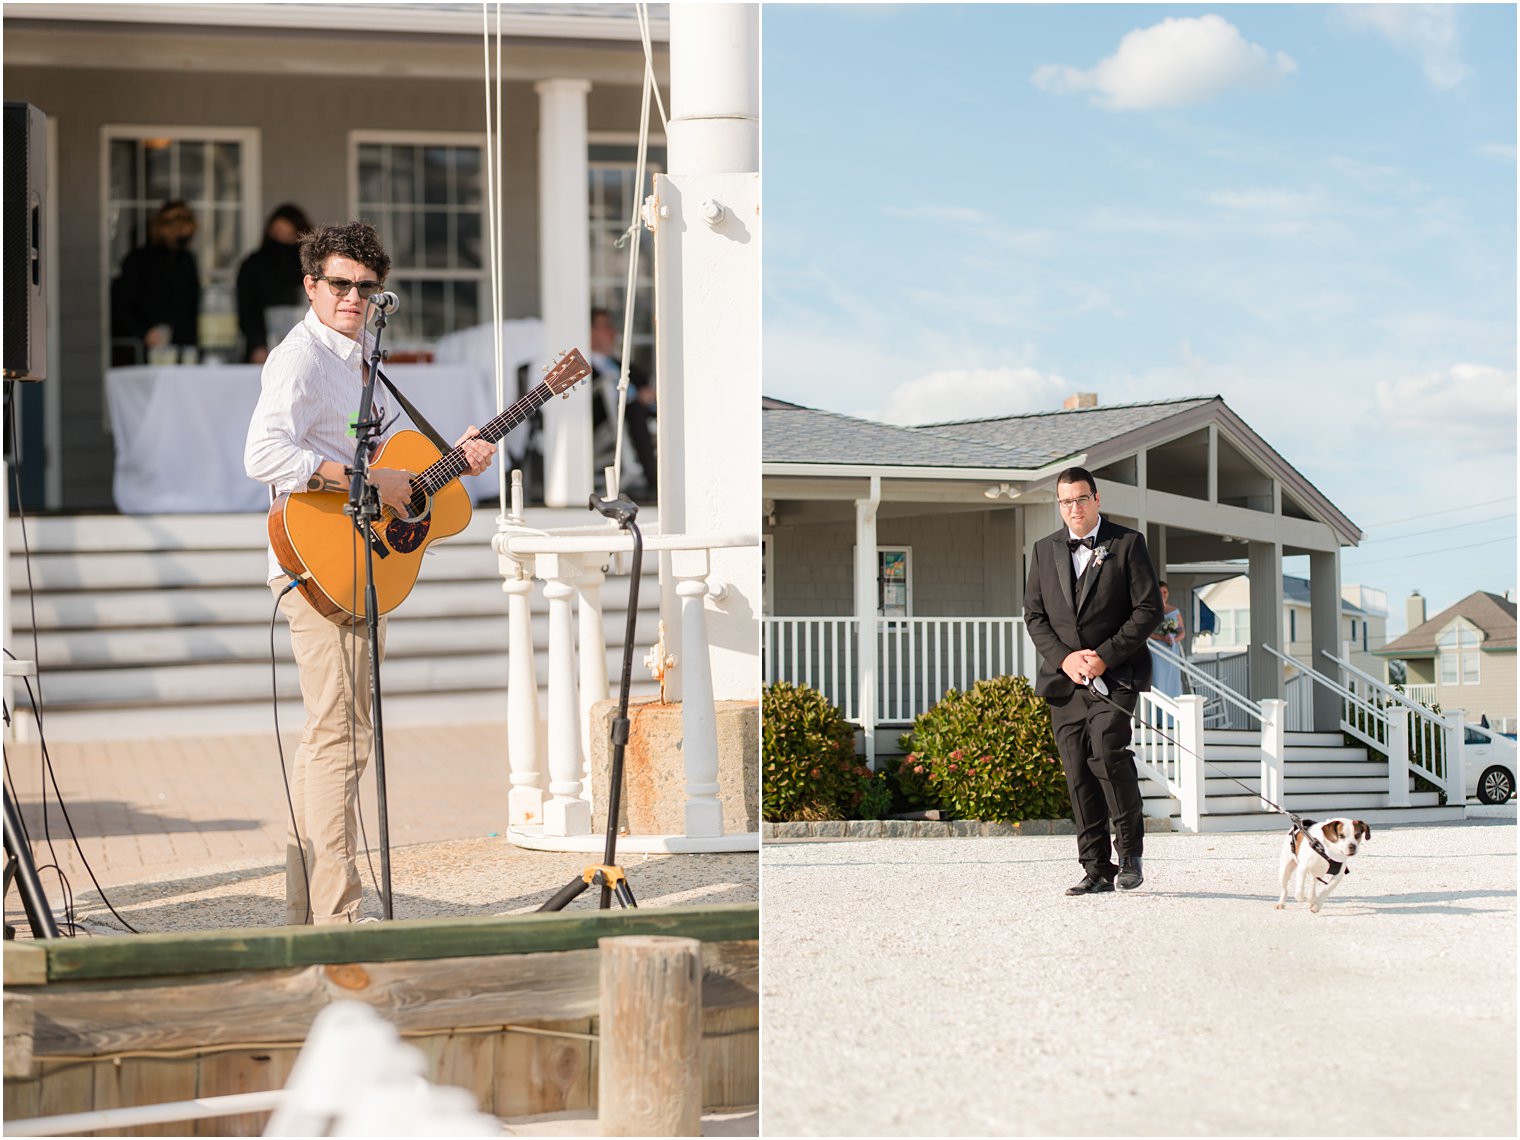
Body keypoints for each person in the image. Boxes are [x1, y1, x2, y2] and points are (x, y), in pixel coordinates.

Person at [244, 221, 494, 925]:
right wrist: (356, 475)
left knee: (332, 738)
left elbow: (388, 466)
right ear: (311, 287)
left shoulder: (360, 359)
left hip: (359, 560)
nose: (353, 297)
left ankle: (308, 907)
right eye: (340, 284)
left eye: (366, 287)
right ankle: (339, 915)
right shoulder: (300, 359)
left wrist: (454, 458)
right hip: (316, 568)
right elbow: (264, 455)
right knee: (341, 740)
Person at [1023, 466, 1164, 896]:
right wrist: (1066, 659)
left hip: (1116, 675)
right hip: (1064, 681)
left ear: (1097, 499)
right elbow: (1035, 616)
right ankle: (1097, 868)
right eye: (1066, 501)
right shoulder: (1044, 549)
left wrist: (1103, 657)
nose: (1074, 508)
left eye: (1081, 499)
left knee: (1107, 752)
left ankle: (1131, 853)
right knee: (1077, 771)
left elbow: (1148, 610)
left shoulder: (1127, 544)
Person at [110, 199, 201, 364]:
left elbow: (193, 304)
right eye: (177, 228)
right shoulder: (138, 261)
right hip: (144, 351)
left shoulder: (187, 261)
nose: (183, 233)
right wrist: (143, 333)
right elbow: (121, 306)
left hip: (183, 350)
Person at [588, 306, 658, 499]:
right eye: (606, 326)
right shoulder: (583, 369)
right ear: (589, 331)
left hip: (643, 412)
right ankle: (654, 479)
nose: (613, 332)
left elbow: (644, 382)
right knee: (635, 409)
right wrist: (634, 398)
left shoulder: (620, 364)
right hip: (606, 421)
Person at [237, 203, 313, 363]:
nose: (282, 241)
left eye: (290, 236)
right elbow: (246, 308)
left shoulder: (310, 267)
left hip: (305, 346)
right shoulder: (254, 265)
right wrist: (257, 345)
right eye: (277, 234)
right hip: (264, 347)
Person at [1148, 581, 1186, 698]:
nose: (1163, 594)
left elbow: (1182, 631)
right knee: (1158, 678)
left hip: (1171, 648)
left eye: (1165, 592)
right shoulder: (1151, 610)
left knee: (1172, 679)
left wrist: (1174, 639)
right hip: (1156, 649)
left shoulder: (1174, 611)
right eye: (1160, 592)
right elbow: (1147, 632)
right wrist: (1161, 637)